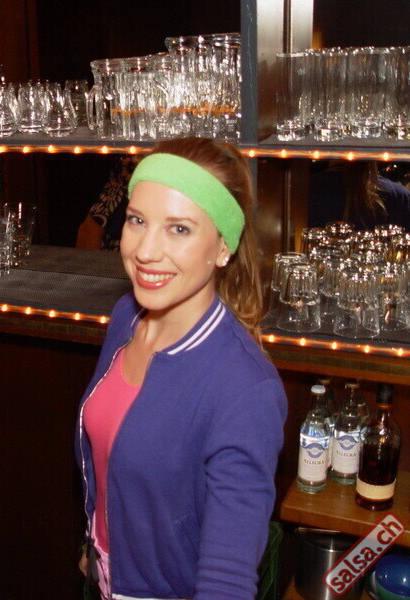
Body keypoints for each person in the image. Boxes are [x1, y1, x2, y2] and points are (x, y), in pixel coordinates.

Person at [76, 137, 287, 600]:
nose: (145, 251)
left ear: (223, 247)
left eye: (179, 229)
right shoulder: (127, 317)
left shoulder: (245, 388)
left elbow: (227, 581)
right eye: (137, 221)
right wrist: (96, 543)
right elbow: (111, 460)